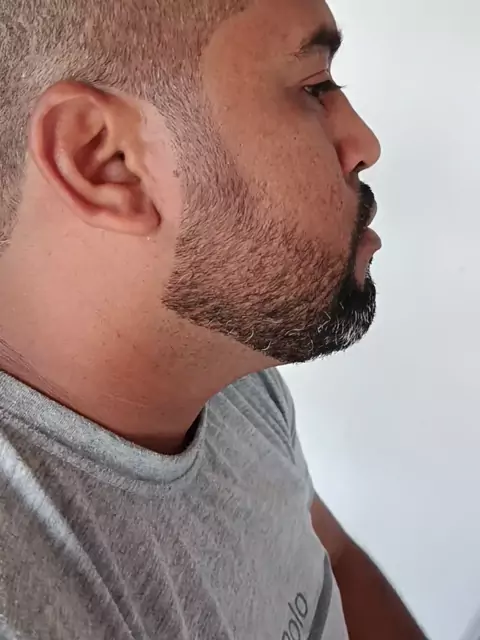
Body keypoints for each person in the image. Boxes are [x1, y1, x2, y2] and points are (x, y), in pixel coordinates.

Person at [0, 0, 426, 638]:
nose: (364, 144)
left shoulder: (223, 375)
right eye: (314, 87)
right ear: (106, 161)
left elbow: (334, 559)